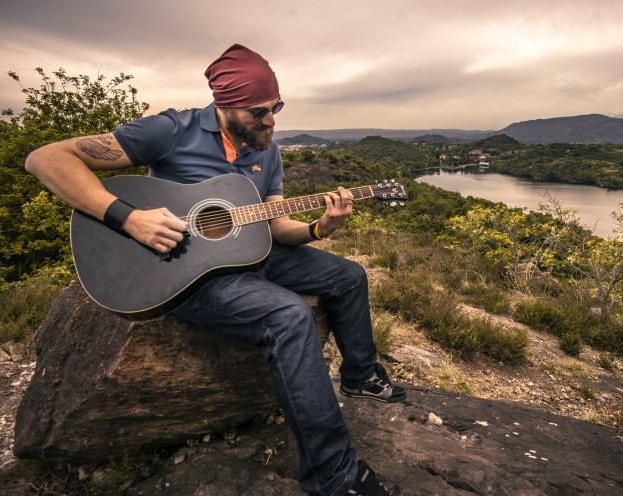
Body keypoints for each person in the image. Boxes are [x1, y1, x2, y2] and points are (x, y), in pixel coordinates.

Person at [25, 43, 405, 496]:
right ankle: (334, 477)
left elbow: (277, 225)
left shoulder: (269, 151)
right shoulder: (171, 130)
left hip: (253, 253)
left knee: (349, 275)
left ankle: (360, 377)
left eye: (276, 107)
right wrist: (128, 217)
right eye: (259, 111)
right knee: (290, 316)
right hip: (184, 271)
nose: (271, 120)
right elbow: (46, 159)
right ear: (224, 105)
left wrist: (319, 227)